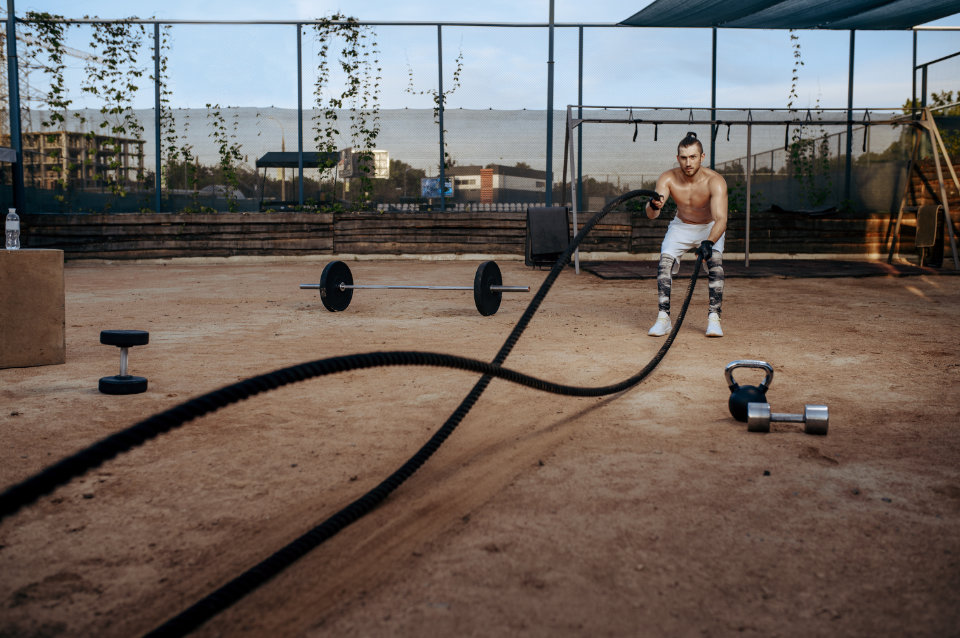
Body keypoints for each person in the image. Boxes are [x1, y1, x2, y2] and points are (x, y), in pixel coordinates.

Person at [645, 131, 727, 338]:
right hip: (681, 225)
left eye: (692, 157)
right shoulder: (668, 178)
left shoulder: (715, 181)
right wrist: (652, 205)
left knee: (715, 264)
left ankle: (714, 319)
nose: (688, 162)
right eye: (683, 157)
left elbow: (721, 219)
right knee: (664, 264)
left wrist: (709, 242)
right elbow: (653, 215)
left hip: (709, 226)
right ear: (677, 158)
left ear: (702, 157)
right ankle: (663, 319)